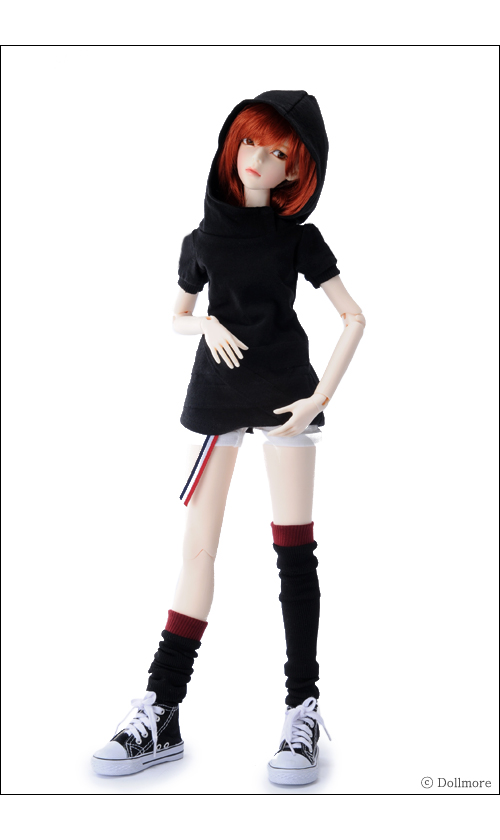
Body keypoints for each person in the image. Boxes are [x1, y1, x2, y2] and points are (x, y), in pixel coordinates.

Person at [92, 90, 366, 786]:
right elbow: (176, 315)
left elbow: (355, 317)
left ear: (296, 169)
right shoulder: (202, 240)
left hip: (286, 397)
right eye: (250, 143)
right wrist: (206, 324)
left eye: (278, 153)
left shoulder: (298, 237)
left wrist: (319, 397)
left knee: (294, 553)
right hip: (216, 397)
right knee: (197, 549)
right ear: (230, 146)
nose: (259, 160)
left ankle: (302, 707)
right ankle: (162, 707)